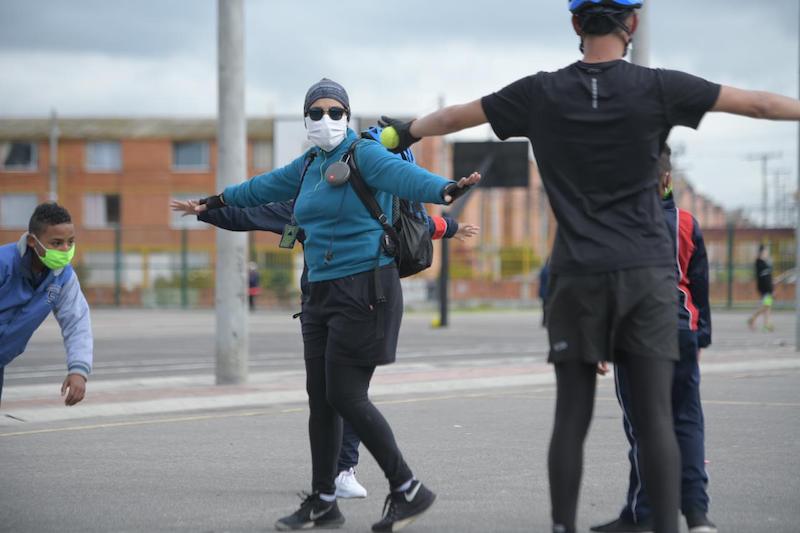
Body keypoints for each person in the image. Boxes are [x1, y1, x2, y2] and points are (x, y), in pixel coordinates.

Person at [379, 1, 800, 531]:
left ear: (576, 24)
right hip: (646, 275)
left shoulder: (538, 91)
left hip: (577, 274)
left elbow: (456, 116)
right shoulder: (659, 86)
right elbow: (758, 104)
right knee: (656, 421)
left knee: (570, 418)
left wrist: (406, 131)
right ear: (634, 23)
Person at [186, 78, 480, 532]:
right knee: (321, 402)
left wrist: (443, 189)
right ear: (306, 119)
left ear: (348, 116)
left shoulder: (363, 153)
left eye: (335, 112)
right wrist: (214, 202)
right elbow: (261, 189)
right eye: (317, 112)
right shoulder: (308, 165)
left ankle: (408, 489)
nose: (327, 120)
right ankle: (324, 501)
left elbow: (402, 176)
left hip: (365, 288)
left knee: (346, 394)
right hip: (320, 293)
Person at [171, 189, 479, 501]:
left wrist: (451, 227)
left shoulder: (366, 199)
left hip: (361, 307)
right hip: (318, 309)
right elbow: (250, 214)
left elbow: (416, 222)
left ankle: (347, 472)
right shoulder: (305, 205)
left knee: (348, 395)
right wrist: (205, 210)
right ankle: (329, 488)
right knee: (324, 397)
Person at [592, 145, 716, 533]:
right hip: (682, 332)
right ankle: (695, 515)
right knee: (686, 422)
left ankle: (644, 516)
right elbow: (699, 287)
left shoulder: (614, 224)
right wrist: (701, 336)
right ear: (667, 179)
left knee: (644, 429)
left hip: (636, 337)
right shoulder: (687, 223)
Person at [0, 202, 93, 407]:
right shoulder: (4, 263)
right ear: (33, 241)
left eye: (71, 242)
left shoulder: (63, 278)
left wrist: (79, 370)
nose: (65, 249)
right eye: (57, 243)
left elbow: (77, 321)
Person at [747, 244, 774, 332]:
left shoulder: (765, 263)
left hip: (768, 288)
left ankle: (767, 324)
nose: (767, 253)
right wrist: (769, 287)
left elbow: (768, 276)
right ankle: (752, 318)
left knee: (768, 306)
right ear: (761, 252)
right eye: (765, 251)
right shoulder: (759, 263)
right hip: (765, 289)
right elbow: (763, 278)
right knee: (766, 306)